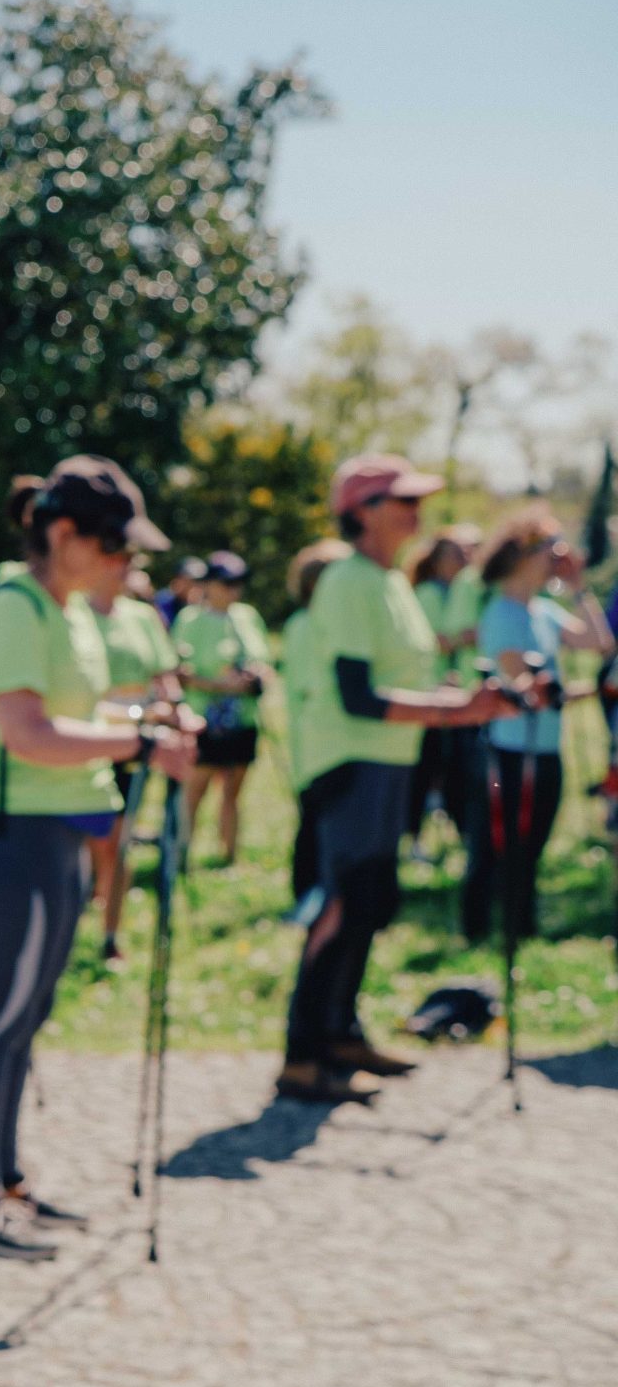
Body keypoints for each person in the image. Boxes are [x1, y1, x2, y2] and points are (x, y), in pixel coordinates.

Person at [0, 464, 194, 1261]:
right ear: (62, 535)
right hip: (11, 834)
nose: (126, 561)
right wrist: (140, 742)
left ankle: (6, 1182)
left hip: (59, 831)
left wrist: (148, 717)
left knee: (27, 1018)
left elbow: (82, 711)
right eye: (115, 545)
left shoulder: (72, 612)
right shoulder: (13, 608)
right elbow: (28, 732)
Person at [280, 455, 516, 1105]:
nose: (417, 512)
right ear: (362, 512)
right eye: (403, 500)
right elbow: (358, 695)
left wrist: (467, 699)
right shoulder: (349, 582)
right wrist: (457, 709)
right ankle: (303, 1054)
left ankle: (340, 1035)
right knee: (341, 904)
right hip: (349, 761)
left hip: (388, 760)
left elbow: (407, 680)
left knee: (370, 901)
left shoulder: (389, 581)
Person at [468, 514, 609, 943]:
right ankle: (480, 928)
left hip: (546, 748)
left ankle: (520, 926)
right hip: (509, 751)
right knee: (499, 844)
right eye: (552, 548)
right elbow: (522, 683)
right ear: (526, 554)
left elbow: (600, 642)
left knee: (533, 845)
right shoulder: (501, 612)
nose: (559, 557)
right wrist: (562, 692)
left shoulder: (545, 611)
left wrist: (579, 587)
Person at [92, 561, 182, 965]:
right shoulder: (75, 613)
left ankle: (110, 934)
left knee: (118, 843)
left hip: (134, 746)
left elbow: (165, 676)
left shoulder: (143, 617)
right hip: (88, 742)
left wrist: (177, 710)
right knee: (88, 841)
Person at [171, 551, 269, 865]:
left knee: (233, 792)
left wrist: (254, 677)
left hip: (242, 718)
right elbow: (179, 673)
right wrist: (220, 685)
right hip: (204, 720)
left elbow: (264, 662)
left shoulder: (248, 616)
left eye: (239, 583)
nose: (234, 590)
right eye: (227, 583)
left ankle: (229, 857)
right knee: (194, 791)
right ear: (209, 584)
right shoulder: (190, 619)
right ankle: (180, 856)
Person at [407, 525, 487, 850]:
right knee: (426, 770)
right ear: (438, 559)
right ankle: (414, 839)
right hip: (429, 693)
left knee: (450, 770)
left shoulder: (458, 591)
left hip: (451, 694)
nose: (464, 560)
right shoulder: (430, 593)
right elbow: (434, 641)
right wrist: (469, 636)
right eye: (456, 554)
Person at [279, 539, 346, 911]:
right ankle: (306, 897)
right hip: (316, 739)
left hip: (331, 739)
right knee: (313, 818)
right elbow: (310, 689)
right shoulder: (305, 625)